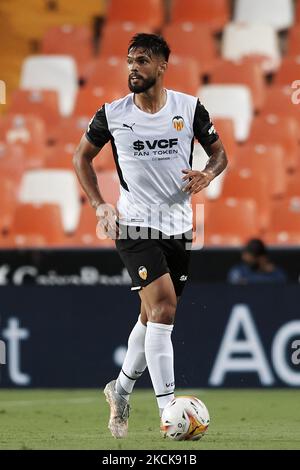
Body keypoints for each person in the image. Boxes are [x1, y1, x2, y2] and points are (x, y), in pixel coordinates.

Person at [73, 33, 227, 438]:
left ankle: (120, 389)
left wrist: (208, 174)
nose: (133, 68)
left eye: (142, 60)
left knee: (149, 317)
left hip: (179, 226)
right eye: (129, 60)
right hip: (135, 223)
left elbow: (219, 153)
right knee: (163, 309)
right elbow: (81, 157)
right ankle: (169, 412)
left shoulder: (188, 108)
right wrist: (99, 204)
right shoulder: (112, 113)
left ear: (161, 66)